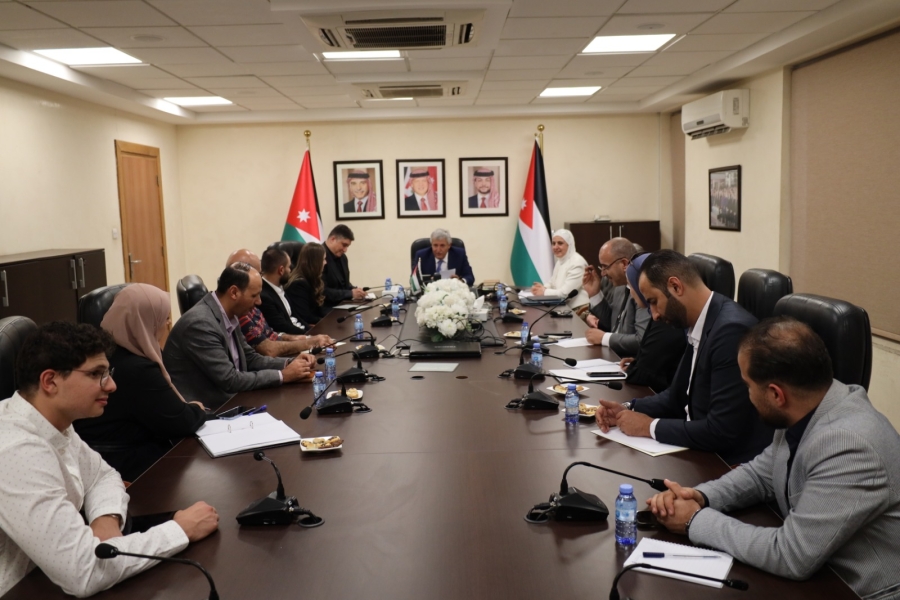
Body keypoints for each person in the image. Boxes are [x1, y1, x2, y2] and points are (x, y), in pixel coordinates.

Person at [645, 318, 900, 600]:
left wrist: (694, 520)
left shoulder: (849, 445)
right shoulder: (810, 402)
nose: (747, 394)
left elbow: (792, 555)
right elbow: (760, 475)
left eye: (748, 385)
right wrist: (700, 496)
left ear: (776, 394)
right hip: (822, 571)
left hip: (860, 591)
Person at [0, 321, 218, 597]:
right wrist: (180, 530)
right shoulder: (15, 450)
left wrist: (106, 519)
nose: (112, 385)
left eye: (107, 373)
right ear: (50, 381)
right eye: (96, 374)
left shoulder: (53, 422)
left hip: (46, 578)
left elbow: (103, 476)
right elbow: (82, 571)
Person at [595, 249, 772, 465]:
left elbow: (721, 430)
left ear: (676, 287)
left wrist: (648, 427)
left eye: (653, 301)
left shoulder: (730, 332)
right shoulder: (701, 321)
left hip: (726, 464)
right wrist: (627, 409)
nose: (654, 315)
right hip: (698, 451)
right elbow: (676, 396)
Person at [74, 284, 208, 482]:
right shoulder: (137, 368)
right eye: (163, 318)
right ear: (145, 321)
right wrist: (196, 409)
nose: (168, 323)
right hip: (125, 469)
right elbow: (181, 422)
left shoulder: (103, 351)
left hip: (97, 460)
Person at [163, 262, 315, 410]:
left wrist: (290, 363)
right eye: (254, 295)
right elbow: (230, 380)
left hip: (234, 399)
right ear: (234, 292)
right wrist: (282, 375)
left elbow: (250, 358)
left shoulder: (230, 314)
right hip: (209, 410)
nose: (259, 302)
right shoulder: (200, 324)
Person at [228, 248, 331, 357]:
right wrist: (309, 342)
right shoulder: (239, 311)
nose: (259, 301)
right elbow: (267, 349)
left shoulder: (251, 306)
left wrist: (300, 338)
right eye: (259, 273)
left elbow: (270, 333)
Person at [616, 253, 687, 392]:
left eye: (630, 286)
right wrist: (636, 362)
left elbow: (643, 374)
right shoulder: (658, 313)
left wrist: (635, 367)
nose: (655, 315)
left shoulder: (666, 319)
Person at [582, 237, 649, 357]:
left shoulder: (643, 291)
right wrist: (594, 294)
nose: (602, 273)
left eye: (605, 267)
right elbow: (612, 324)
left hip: (628, 360)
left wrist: (604, 338)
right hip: (612, 355)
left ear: (624, 264)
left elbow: (641, 340)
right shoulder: (619, 286)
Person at [529, 229, 589, 310]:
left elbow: (565, 294)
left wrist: (544, 291)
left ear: (569, 245)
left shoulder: (577, 263)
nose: (555, 247)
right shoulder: (560, 260)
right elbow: (552, 282)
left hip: (579, 310)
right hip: (564, 307)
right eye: (553, 243)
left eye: (560, 243)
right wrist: (542, 288)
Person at [259, 246, 307, 335]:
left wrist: (313, 330)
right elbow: (282, 327)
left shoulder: (280, 286)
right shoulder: (264, 296)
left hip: (302, 332)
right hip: (294, 337)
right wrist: (310, 335)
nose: (290, 270)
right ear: (281, 270)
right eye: (289, 267)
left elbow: (296, 316)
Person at [285, 243, 331, 326]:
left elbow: (319, 310)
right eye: (323, 259)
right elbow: (305, 316)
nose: (325, 262)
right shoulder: (298, 284)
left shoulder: (313, 279)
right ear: (316, 262)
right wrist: (327, 321)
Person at [323, 225, 367, 306]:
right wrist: (350, 294)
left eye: (347, 246)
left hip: (344, 305)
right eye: (344, 245)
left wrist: (356, 290)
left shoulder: (343, 258)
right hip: (327, 308)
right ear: (333, 239)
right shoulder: (319, 257)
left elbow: (344, 284)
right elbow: (322, 291)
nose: (345, 250)